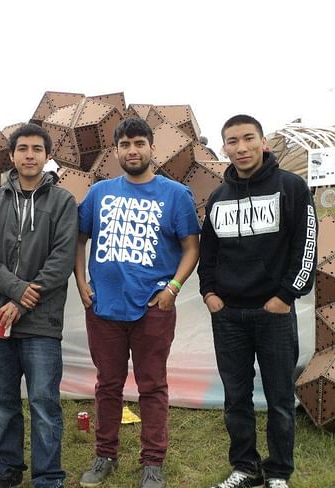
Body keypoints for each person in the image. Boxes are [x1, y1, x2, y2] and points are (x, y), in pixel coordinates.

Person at [75, 117, 200, 488]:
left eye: (139, 143)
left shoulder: (175, 195)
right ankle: (105, 455)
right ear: (116, 151)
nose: (132, 151)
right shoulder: (100, 193)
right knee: (107, 385)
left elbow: (192, 247)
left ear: (151, 148)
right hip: (104, 309)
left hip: (152, 309)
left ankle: (152, 462)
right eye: (125, 145)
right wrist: (81, 282)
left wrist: (172, 289)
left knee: (153, 386)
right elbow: (79, 239)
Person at [198, 114, 317, 488]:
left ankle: (279, 472)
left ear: (262, 142)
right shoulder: (217, 197)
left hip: (275, 314)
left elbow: (307, 246)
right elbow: (208, 253)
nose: (241, 147)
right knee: (236, 397)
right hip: (229, 316)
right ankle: (245, 468)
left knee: (281, 397)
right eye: (232, 141)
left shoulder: (292, 187)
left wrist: (286, 296)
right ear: (224, 148)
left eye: (248, 138)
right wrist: (209, 293)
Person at [0, 123, 78, 488]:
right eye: (22, 148)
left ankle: (48, 477)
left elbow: (62, 260)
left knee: (44, 404)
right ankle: (5, 466)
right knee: (2, 401)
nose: (29, 154)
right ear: (13, 156)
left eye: (37, 148)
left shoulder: (63, 201)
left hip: (41, 322)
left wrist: (24, 301)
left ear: (47, 156)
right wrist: (17, 291)